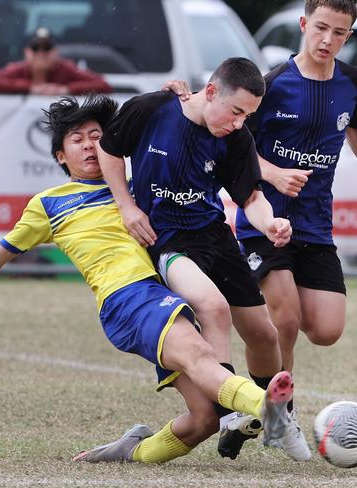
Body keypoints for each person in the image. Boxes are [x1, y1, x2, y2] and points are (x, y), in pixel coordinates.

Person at [0, 95, 299, 465]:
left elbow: (184, 127)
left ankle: (130, 450)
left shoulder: (133, 185)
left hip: (162, 295)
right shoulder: (49, 204)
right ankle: (266, 409)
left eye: (97, 136)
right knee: (199, 355)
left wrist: (177, 94)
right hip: (127, 299)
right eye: (77, 140)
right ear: (61, 156)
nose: (90, 145)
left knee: (202, 420)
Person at [96, 57, 311, 461]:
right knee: (212, 306)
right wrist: (126, 206)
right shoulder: (150, 109)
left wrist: (270, 225)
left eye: (247, 115)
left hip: (215, 237)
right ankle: (232, 413)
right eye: (235, 111)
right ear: (210, 92)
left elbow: (251, 197)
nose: (238, 122)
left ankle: (281, 421)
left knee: (264, 335)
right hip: (166, 241)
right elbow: (109, 150)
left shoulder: (236, 138)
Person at [227, 0, 357, 457]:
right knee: (285, 316)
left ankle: (251, 396)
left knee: (325, 329)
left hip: (315, 226)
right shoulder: (273, 86)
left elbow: (355, 128)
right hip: (265, 222)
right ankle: (279, 413)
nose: (327, 40)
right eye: (321, 28)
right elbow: (236, 148)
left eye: (339, 33)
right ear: (304, 25)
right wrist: (272, 173)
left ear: (348, 36)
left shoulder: (352, 82)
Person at [0, 27, 112, 96]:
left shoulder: (66, 68)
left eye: (47, 48)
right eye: (35, 48)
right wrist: (31, 88)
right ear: (27, 52)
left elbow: (103, 85)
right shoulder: (19, 69)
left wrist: (65, 90)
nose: (41, 53)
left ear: (55, 52)